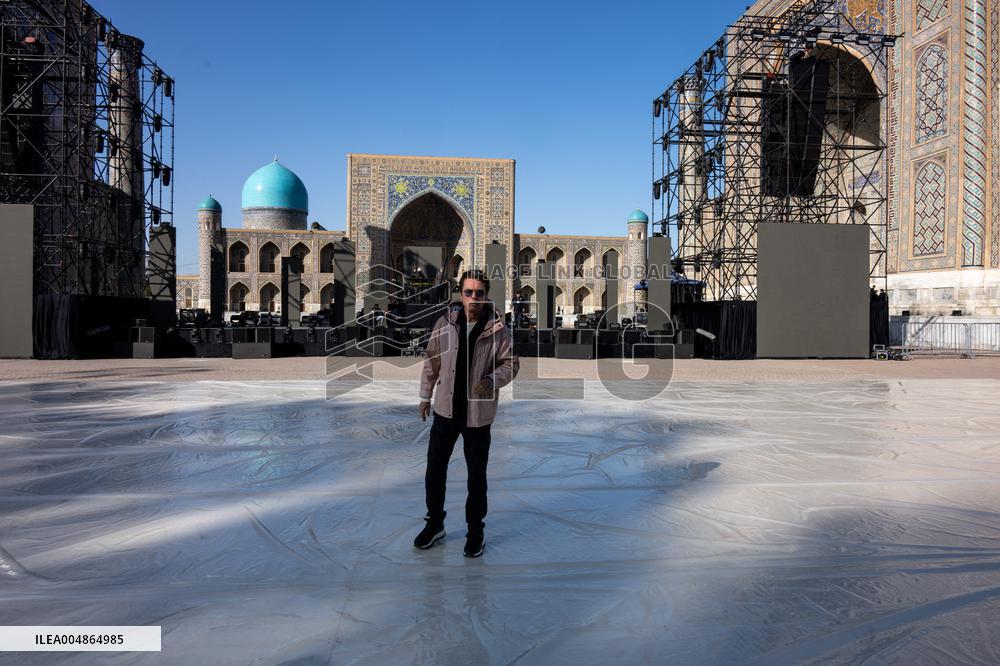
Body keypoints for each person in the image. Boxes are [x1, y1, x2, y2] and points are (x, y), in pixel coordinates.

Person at [414, 269, 519, 557]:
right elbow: (431, 361)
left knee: (476, 478)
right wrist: (425, 396)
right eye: (468, 292)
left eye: (479, 293)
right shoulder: (445, 323)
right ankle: (435, 523)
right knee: (435, 471)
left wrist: (492, 381)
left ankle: (475, 531)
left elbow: (511, 363)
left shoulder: (497, 328)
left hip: (477, 415)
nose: (474, 297)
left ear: (486, 296)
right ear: (460, 294)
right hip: (445, 410)